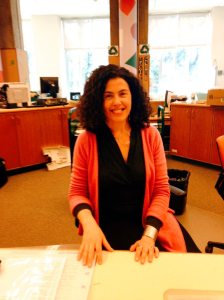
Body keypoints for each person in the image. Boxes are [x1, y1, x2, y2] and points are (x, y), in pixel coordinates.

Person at [68, 64, 197, 268]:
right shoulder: (86, 140)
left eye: (122, 94)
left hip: (151, 224)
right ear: (97, 101)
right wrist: (89, 224)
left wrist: (149, 235)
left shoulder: (151, 136)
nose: (116, 102)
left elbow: (162, 191)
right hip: (106, 228)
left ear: (133, 97)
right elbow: (77, 193)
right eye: (108, 96)